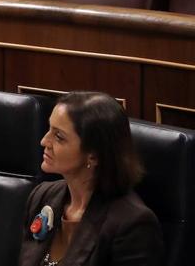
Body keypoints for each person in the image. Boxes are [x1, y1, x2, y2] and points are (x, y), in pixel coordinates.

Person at [19, 92, 163, 266]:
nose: (44, 141)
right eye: (49, 129)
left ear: (93, 156)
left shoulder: (132, 225)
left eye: (58, 136)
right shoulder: (42, 196)